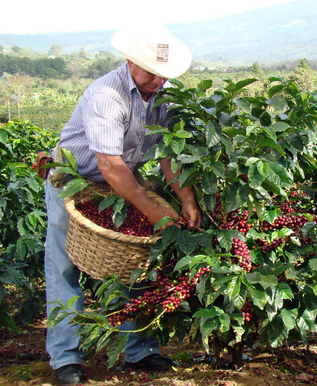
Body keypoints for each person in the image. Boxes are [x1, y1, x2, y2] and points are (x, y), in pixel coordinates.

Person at [44, 25, 201, 385]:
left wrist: (186, 198)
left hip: (121, 187)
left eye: (163, 75)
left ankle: (141, 350)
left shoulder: (164, 93)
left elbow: (169, 152)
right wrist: (156, 211)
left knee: (135, 263)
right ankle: (65, 359)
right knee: (64, 269)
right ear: (130, 61)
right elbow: (109, 166)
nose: (157, 82)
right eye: (150, 72)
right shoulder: (106, 96)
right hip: (72, 184)